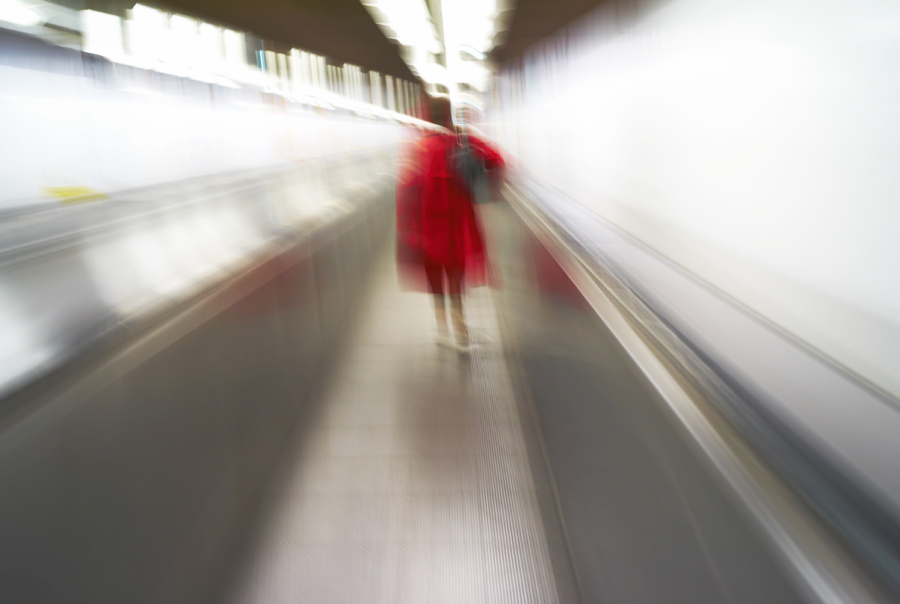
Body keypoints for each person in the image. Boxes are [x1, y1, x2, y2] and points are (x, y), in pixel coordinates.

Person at [395, 97, 505, 351]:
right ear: (449, 116)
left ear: (427, 116)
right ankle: (460, 327)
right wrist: (491, 189)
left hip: (427, 225)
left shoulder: (419, 147)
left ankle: (442, 328)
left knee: (434, 274)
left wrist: (406, 226)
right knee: (455, 274)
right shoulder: (462, 141)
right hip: (458, 223)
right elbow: (497, 159)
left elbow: (407, 188)